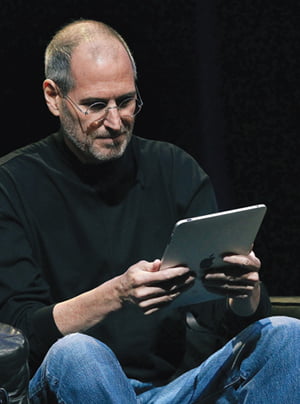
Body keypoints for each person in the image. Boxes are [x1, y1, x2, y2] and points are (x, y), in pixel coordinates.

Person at [0, 19, 299, 404]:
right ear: (54, 97)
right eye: (95, 105)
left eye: (126, 102)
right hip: (69, 382)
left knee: (286, 335)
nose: (114, 121)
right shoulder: (12, 184)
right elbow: (21, 331)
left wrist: (244, 293)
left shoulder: (174, 169)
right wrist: (118, 294)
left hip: (175, 388)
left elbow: (221, 320)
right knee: (79, 354)